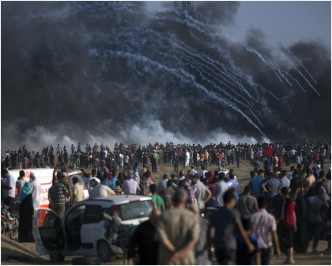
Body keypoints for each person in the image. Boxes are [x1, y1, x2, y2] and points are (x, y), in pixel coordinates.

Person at [207, 190, 255, 265]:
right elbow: (241, 230)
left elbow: (209, 231)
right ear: (231, 200)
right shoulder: (234, 214)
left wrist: (209, 249)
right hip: (230, 246)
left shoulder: (215, 213)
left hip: (218, 247)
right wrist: (249, 244)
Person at [157, 189, 199, 264]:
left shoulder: (163, 216)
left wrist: (174, 252)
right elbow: (194, 239)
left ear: (172, 200)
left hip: (168, 259)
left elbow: (162, 238)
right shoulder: (191, 216)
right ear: (185, 202)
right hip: (186, 259)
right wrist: (182, 253)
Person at [250, 196, 281, 265]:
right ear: (266, 205)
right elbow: (274, 234)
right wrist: (277, 248)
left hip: (255, 245)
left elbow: (248, 232)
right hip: (266, 245)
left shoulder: (251, 217)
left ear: (257, 205)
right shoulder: (270, 217)